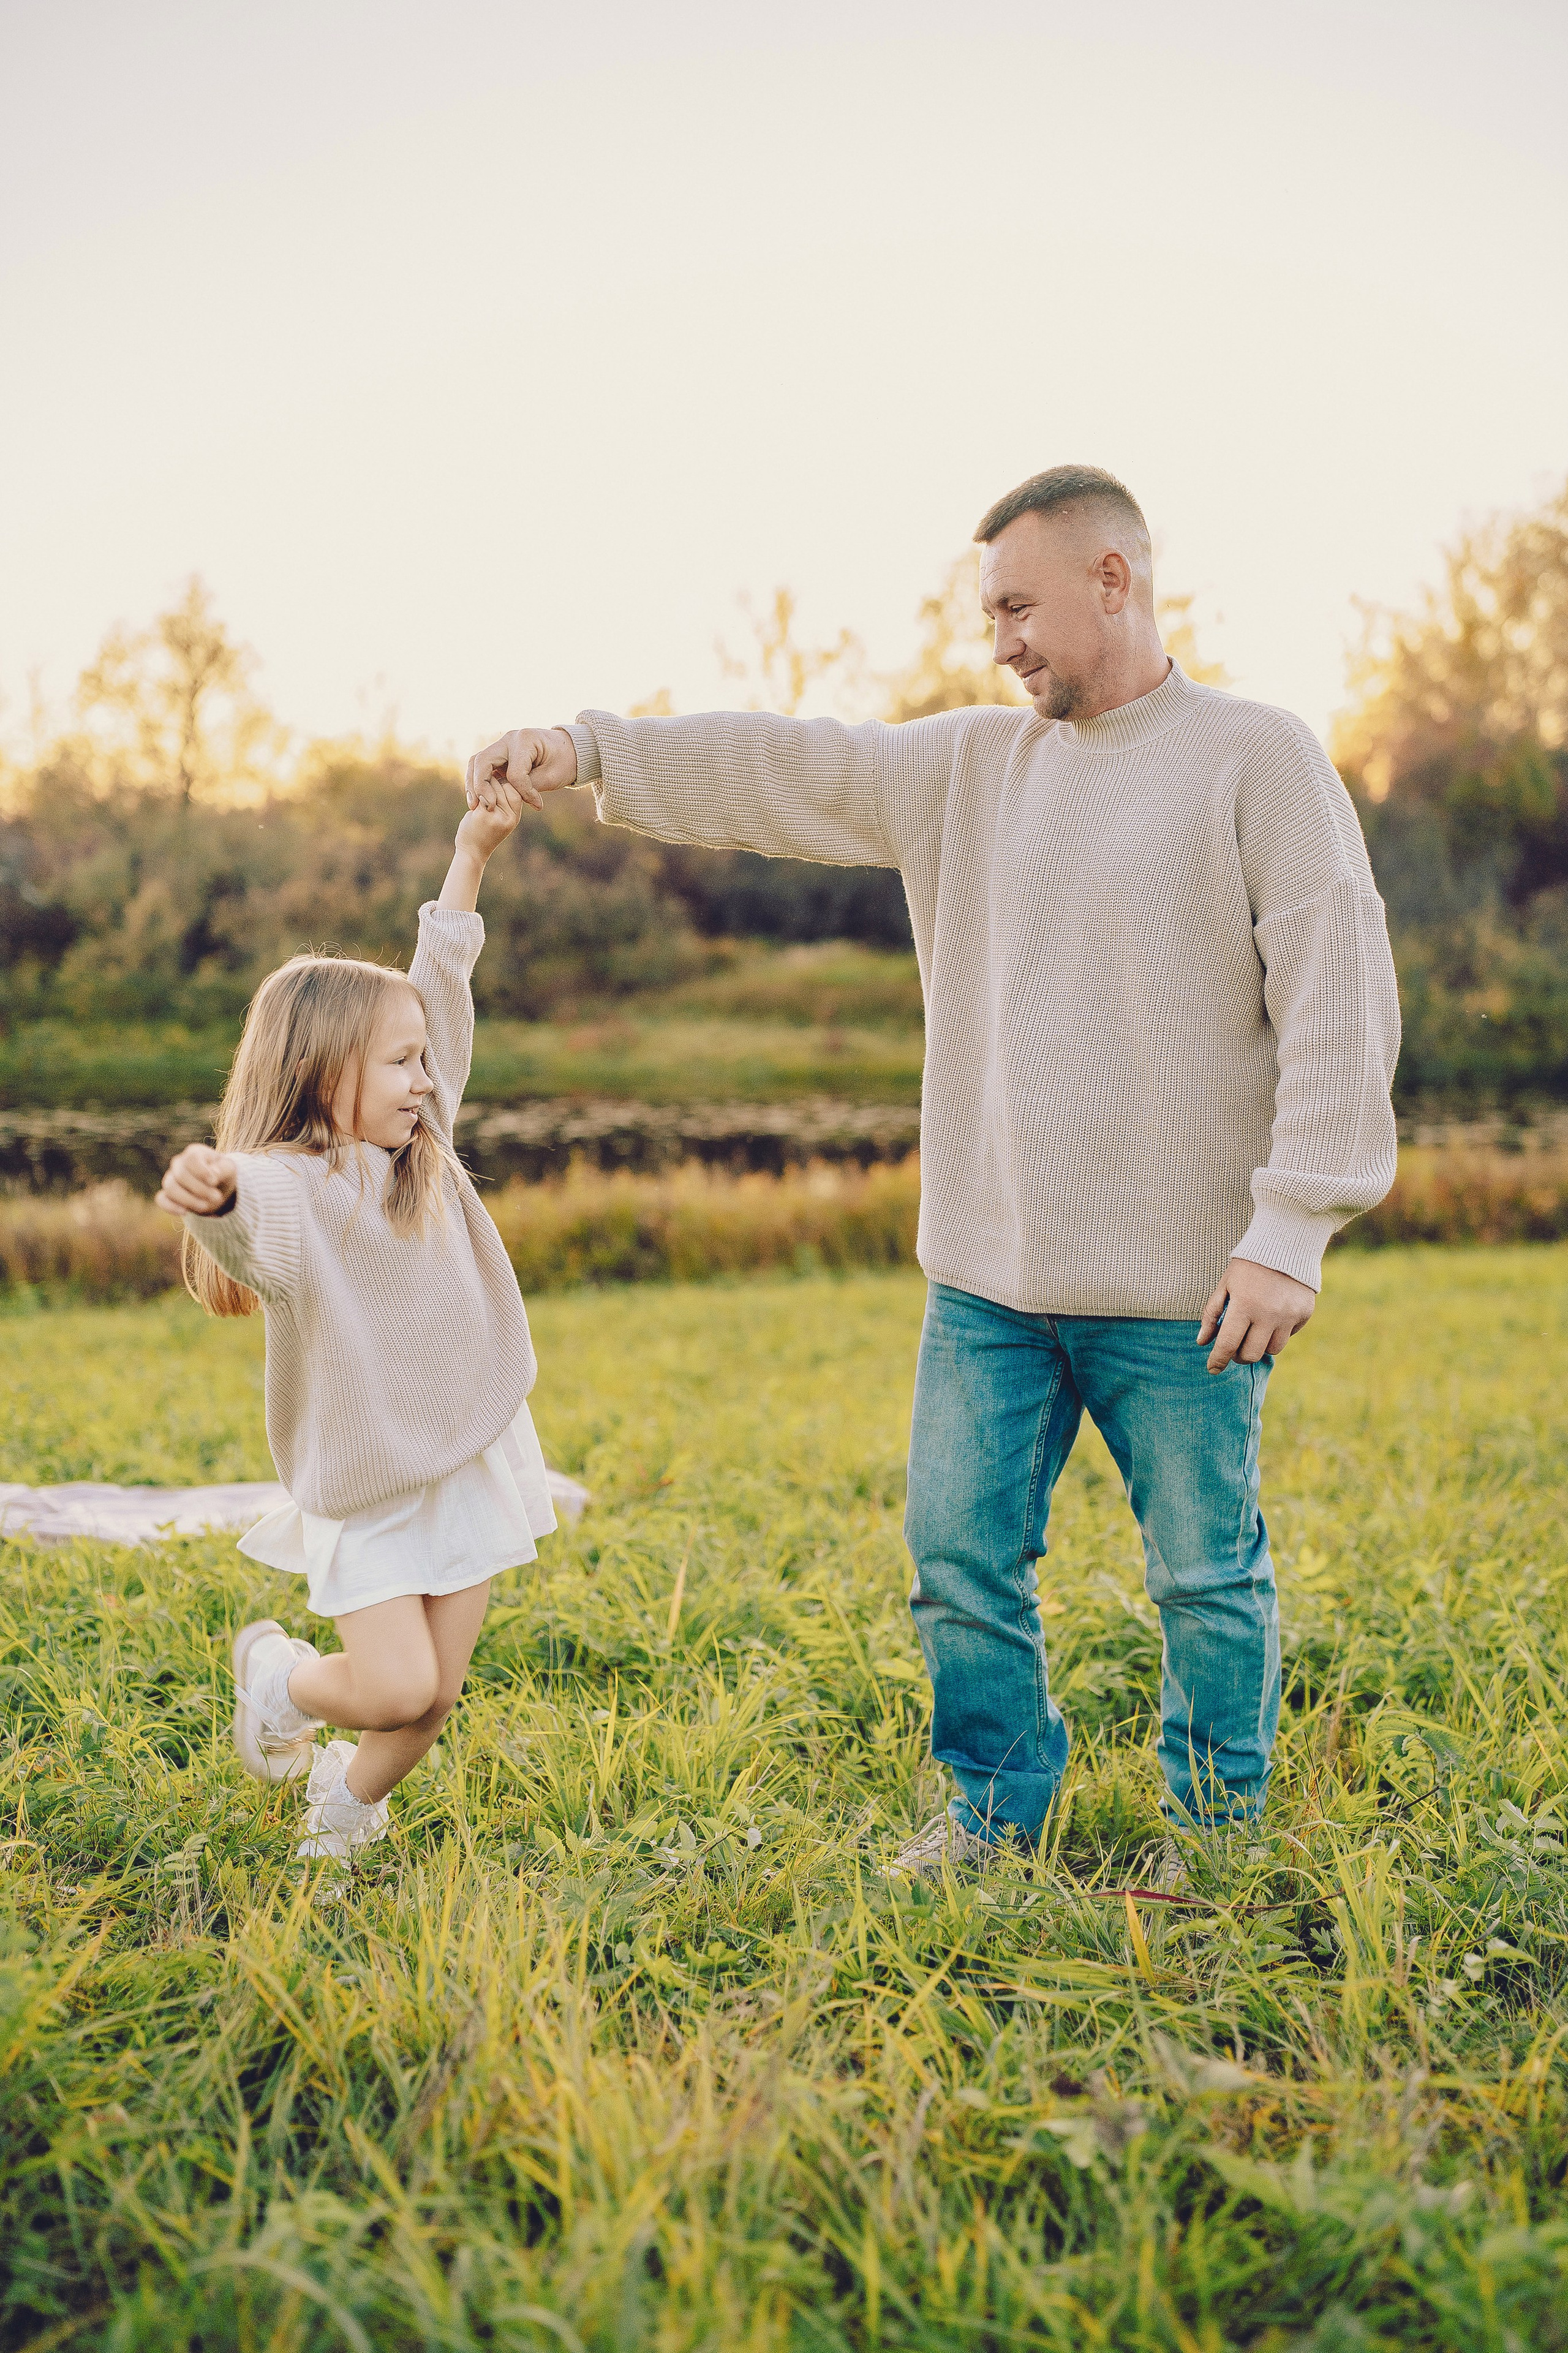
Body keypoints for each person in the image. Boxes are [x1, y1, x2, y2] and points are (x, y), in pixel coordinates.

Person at [468, 464, 1401, 1873]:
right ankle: (990, 1811)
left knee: (1204, 1576)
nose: (1001, 640)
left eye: (1019, 605)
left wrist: (1292, 1226)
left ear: (1112, 577)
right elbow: (784, 765)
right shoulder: (965, 766)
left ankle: (1214, 1835)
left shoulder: (1255, 756)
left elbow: (1338, 994)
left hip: (1186, 1287)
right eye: (988, 615)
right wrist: (587, 748)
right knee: (957, 1566)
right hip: (987, 1278)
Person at [155, 775, 551, 1862]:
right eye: (401, 1062)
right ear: (322, 1071)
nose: (426, 1081)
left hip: (467, 1454)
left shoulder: (426, 1145)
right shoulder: (298, 1184)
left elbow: (443, 982)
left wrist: (470, 856)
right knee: (392, 1682)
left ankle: (342, 1813)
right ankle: (279, 1677)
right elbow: (258, 1228)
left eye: (428, 1060)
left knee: (432, 1702)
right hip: (371, 1475)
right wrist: (220, 1196)